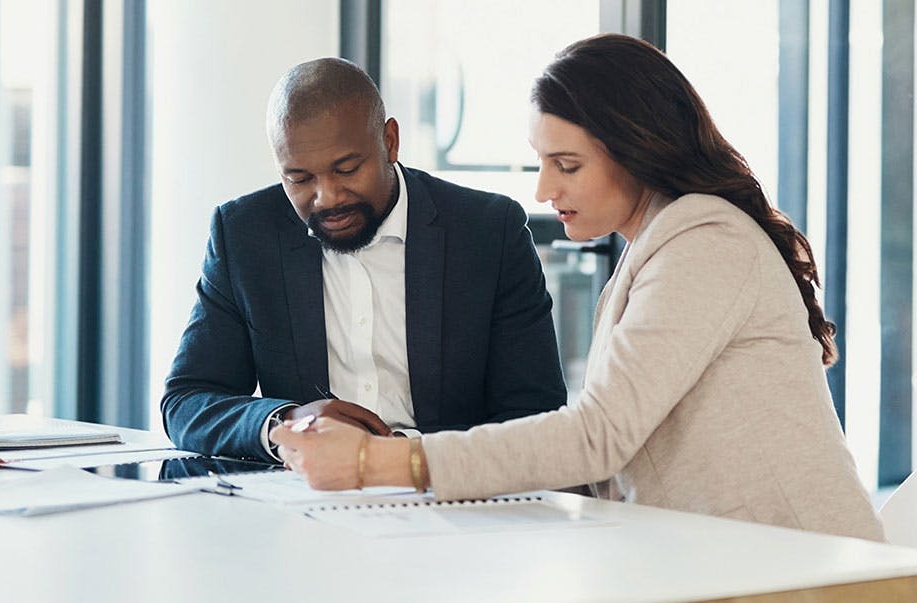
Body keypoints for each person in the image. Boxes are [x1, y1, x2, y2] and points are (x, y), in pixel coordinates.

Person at [270, 35, 886, 541]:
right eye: (541, 163)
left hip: (810, 572)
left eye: (567, 165)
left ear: (635, 151)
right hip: (734, 561)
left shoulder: (707, 244)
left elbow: (597, 437)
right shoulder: (655, 252)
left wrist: (377, 463)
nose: (543, 190)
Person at [160, 57, 567, 463]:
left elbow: (535, 413)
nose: (327, 197)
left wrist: (408, 461)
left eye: (347, 169)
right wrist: (286, 422)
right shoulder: (245, 234)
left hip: (450, 494)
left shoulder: (488, 231)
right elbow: (187, 401)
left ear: (389, 141)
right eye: (300, 179)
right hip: (301, 503)